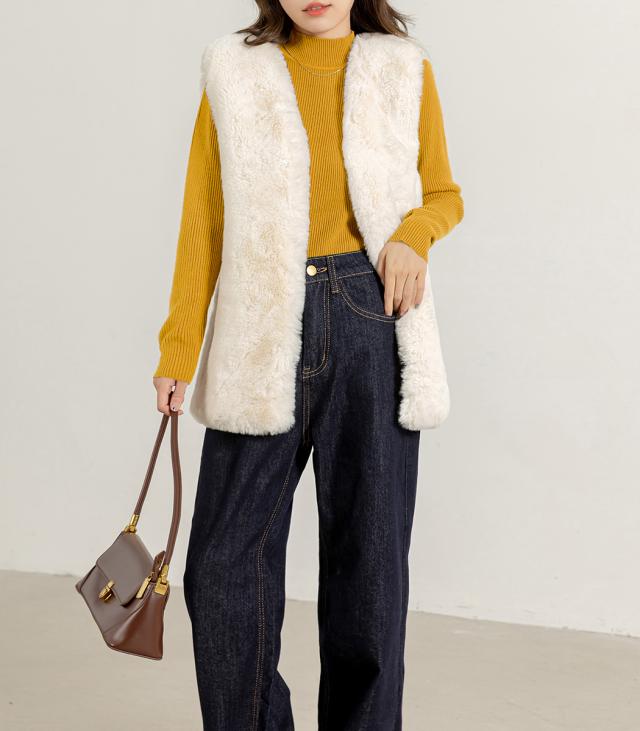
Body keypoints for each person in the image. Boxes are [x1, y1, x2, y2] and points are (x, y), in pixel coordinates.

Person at [153, 1, 464, 728]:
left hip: (371, 314)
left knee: (370, 573)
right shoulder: (234, 69)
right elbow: (204, 214)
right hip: (260, 326)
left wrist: (412, 236)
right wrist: (178, 345)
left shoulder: (402, 67)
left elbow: (443, 194)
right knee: (221, 568)